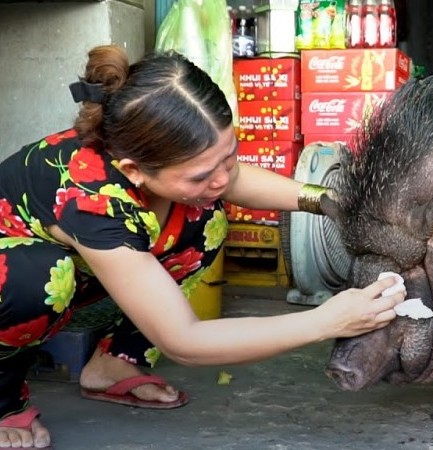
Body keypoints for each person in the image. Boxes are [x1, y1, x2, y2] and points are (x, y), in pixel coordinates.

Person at [0, 44, 406, 449]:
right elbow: (185, 341)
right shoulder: (92, 200)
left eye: (228, 157)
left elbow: (229, 180)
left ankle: (114, 363)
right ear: (133, 171)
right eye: (198, 175)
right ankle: (3, 401)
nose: (219, 180)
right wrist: (327, 321)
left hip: (81, 252)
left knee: (203, 219)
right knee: (38, 280)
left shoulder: (156, 156)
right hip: (16, 270)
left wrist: (327, 201)